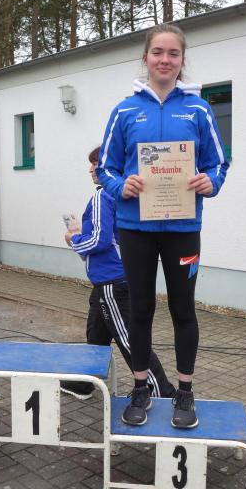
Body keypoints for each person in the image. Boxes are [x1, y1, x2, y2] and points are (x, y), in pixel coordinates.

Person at [96, 24, 229, 428]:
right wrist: (121, 186)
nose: (165, 60)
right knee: (140, 307)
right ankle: (141, 387)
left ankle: (185, 392)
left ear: (182, 60)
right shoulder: (124, 111)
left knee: (182, 308)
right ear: (146, 58)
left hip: (183, 228)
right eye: (158, 52)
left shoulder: (198, 109)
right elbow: (106, 167)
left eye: (173, 53)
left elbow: (218, 163)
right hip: (135, 228)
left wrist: (211, 182)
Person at [61, 147, 176, 401]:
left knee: (130, 340)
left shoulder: (103, 196)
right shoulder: (129, 195)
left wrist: (73, 238)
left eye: (95, 164)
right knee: (96, 335)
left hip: (112, 281)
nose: (91, 169)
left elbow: (99, 240)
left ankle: (162, 393)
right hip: (119, 278)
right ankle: (85, 383)